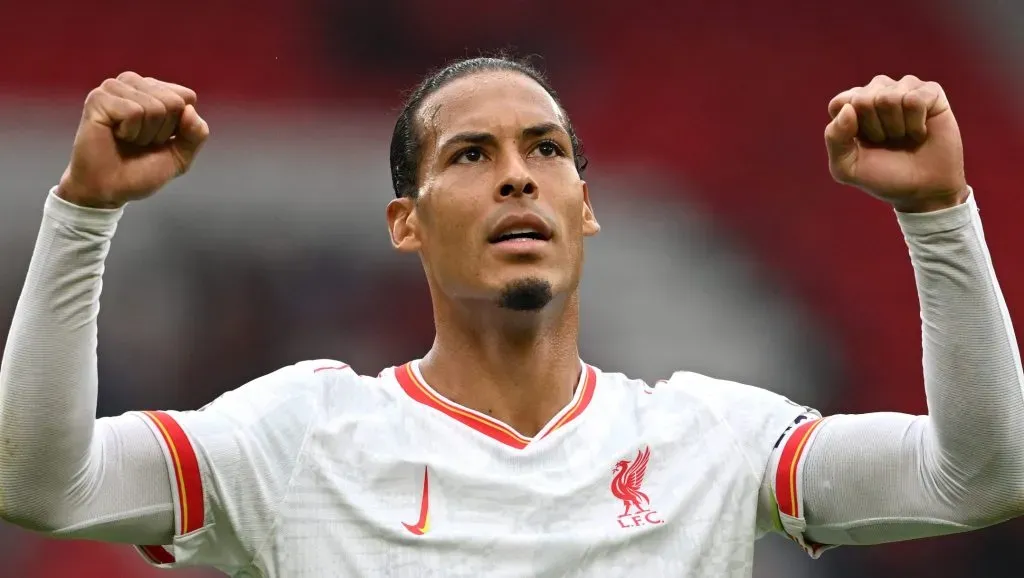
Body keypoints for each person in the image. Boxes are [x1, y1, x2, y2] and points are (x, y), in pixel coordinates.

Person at [0, 56, 1021, 578]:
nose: (518, 177)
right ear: (405, 222)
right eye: (470, 155)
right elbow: (42, 484)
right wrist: (83, 215)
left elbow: (978, 477)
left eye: (546, 150)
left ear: (585, 207)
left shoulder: (710, 436)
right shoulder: (298, 434)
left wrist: (938, 215)